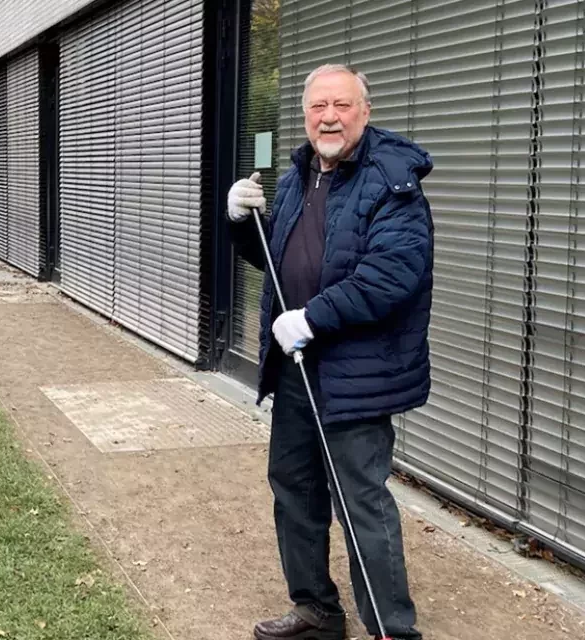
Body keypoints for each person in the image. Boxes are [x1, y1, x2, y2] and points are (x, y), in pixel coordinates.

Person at [225, 63, 433, 640]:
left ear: (365, 112)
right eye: (319, 107)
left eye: (342, 105)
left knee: (360, 503)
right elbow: (278, 257)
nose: (330, 117)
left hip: (355, 373)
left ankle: (393, 630)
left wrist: (312, 318)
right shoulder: (297, 177)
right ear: (306, 115)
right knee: (294, 489)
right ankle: (316, 610)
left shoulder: (393, 181)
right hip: (297, 369)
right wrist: (242, 223)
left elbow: (393, 274)